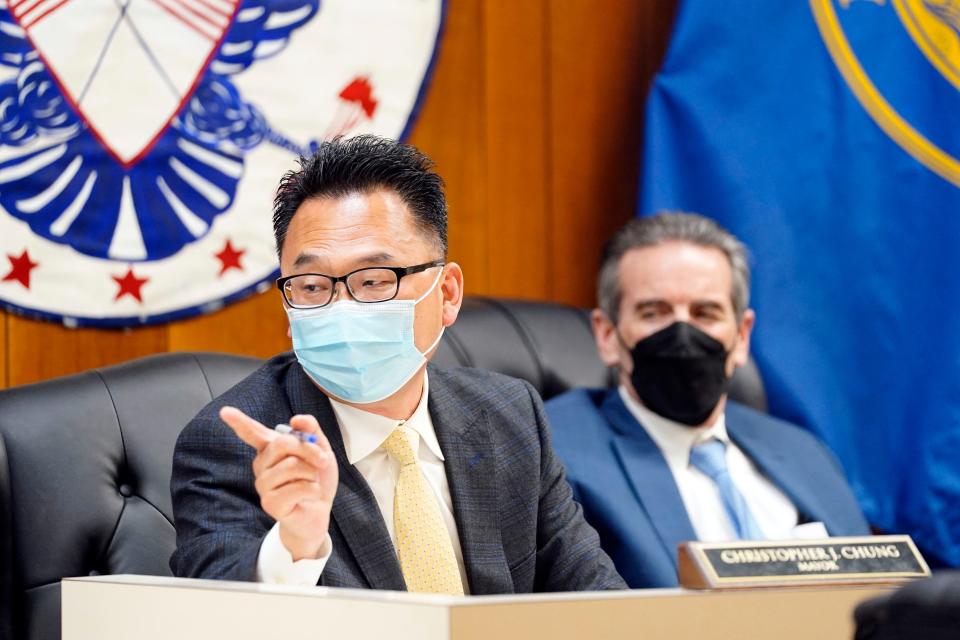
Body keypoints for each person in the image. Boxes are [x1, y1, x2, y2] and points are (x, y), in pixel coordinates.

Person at [169, 135, 625, 595]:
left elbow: (597, 599)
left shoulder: (509, 414)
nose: (341, 307)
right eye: (311, 286)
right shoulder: (235, 443)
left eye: (373, 281)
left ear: (447, 294)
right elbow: (218, 612)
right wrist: (295, 545)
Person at [545, 212, 869, 589]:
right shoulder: (558, 455)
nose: (682, 333)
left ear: (742, 335)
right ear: (607, 335)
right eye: (654, 312)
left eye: (705, 313)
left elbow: (874, 598)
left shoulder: (803, 452)